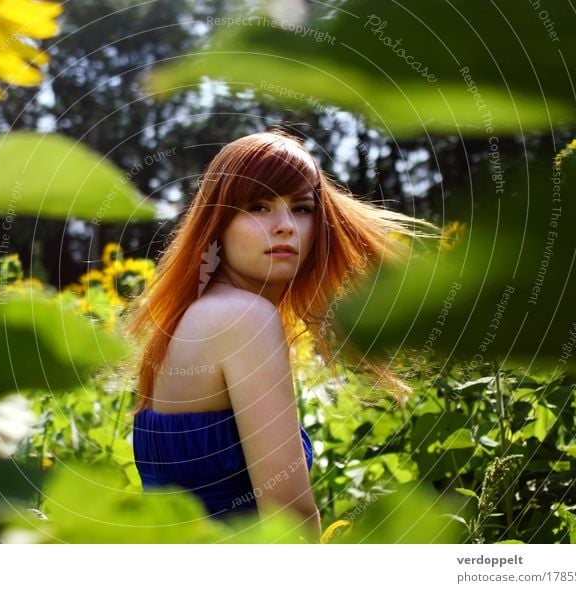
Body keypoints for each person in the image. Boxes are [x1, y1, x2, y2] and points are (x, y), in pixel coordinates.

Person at [121, 129, 437, 542]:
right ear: (218, 223)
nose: (285, 226)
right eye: (258, 206)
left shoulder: (203, 313)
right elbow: (290, 519)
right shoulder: (243, 318)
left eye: (301, 208)